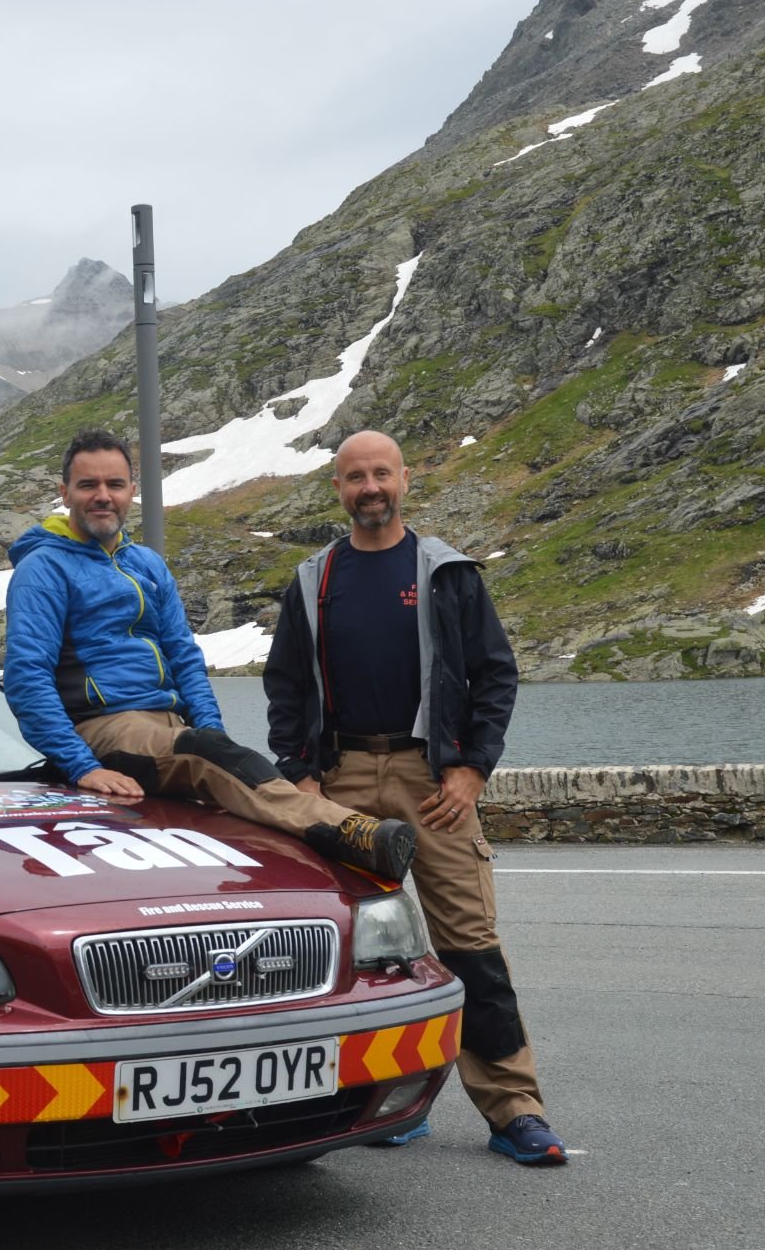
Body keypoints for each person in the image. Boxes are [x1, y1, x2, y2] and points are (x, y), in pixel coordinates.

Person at [263, 429, 567, 1165]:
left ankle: (514, 1109)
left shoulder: (447, 573)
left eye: (381, 474)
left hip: (431, 780)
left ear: (405, 479)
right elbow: (286, 688)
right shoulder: (313, 580)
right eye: (354, 476)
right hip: (339, 785)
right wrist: (300, 775)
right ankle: (389, 1102)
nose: (370, 487)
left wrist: (472, 771)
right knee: (357, 953)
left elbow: (496, 676)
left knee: (470, 946)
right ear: (337, 488)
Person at [2, 429, 417, 882]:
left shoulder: (145, 564)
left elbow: (183, 656)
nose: (103, 496)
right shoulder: (43, 567)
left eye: (115, 485)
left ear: (131, 492)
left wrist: (215, 737)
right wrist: (82, 766)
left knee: (219, 763)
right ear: (65, 493)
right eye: (88, 486)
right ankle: (351, 832)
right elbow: (27, 676)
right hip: (104, 726)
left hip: (168, 727)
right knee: (208, 757)